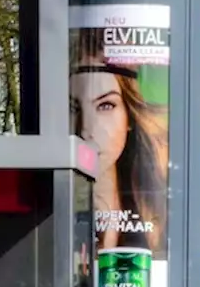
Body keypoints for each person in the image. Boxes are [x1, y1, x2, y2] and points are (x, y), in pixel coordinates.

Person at [69, 47, 169, 253]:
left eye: (105, 105)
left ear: (129, 116)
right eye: (73, 108)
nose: (86, 129)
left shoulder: (161, 207)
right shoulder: (55, 212)